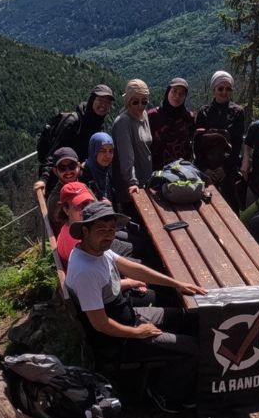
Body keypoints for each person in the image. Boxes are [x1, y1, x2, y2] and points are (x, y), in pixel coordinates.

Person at [64, 201, 204, 388]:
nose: (108, 235)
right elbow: (100, 324)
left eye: (111, 230)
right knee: (196, 348)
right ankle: (167, 395)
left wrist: (176, 284)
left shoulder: (95, 251)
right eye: (101, 230)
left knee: (187, 316)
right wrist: (137, 333)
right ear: (85, 231)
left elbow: (133, 268)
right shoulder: (86, 271)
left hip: (131, 315)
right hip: (121, 339)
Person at [194, 70, 247, 201]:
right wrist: (204, 169)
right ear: (214, 89)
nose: (224, 92)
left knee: (229, 206)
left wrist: (225, 169)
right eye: (221, 88)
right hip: (205, 168)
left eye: (228, 89)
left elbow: (237, 143)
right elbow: (197, 142)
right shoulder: (204, 112)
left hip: (227, 169)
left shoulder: (237, 112)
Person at [111, 78, 154, 194]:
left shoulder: (144, 115)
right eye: (135, 102)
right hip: (131, 189)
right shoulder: (123, 122)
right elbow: (126, 158)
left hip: (146, 182)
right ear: (128, 101)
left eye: (144, 101)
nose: (140, 106)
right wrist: (133, 182)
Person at [148, 77, 197, 168]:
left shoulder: (188, 118)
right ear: (168, 92)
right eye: (174, 91)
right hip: (157, 171)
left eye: (181, 94)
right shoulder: (153, 116)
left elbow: (191, 143)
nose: (177, 96)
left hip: (182, 171)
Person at [44, 147, 84, 230]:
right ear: (55, 171)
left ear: (79, 166)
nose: (68, 171)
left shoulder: (84, 184)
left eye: (72, 166)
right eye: (62, 168)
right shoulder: (56, 200)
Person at [83, 131, 118, 201]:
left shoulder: (107, 170)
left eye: (110, 151)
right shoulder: (84, 174)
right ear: (94, 151)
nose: (108, 156)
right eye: (103, 151)